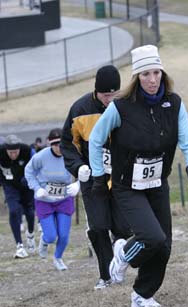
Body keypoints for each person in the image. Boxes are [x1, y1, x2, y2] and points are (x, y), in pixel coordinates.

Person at [89, 45, 188, 307]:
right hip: (127, 186)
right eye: (145, 74)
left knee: (163, 246)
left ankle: (142, 295)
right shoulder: (121, 107)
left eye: (156, 73)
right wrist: (98, 176)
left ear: (162, 73)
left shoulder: (174, 104)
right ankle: (122, 254)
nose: (152, 80)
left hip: (156, 184)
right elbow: (95, 140)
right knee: (151, 237)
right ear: (136, 78)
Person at [61, 65, 131, 289]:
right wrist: (77, 167)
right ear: (96, 91)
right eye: (105, 95)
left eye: (114, 94)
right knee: (99, 227)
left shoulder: (128, 106)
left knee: (122, 228)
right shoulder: (80, 109)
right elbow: (67, 143)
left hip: (121, 178)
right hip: (93, 180)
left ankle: (119, 265)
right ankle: (106, 276)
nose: (110, 100)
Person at [25, 128, 80, 271]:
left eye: (61, 144)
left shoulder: (71, 154)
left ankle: (58, 258)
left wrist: (77, 184)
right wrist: (37, 189)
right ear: (50, 144)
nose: (59, 147)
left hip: (64, 198)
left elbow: (84, 170)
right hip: (45, 200)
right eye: (55, 144)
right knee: (50, 237)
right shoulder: (41, 156)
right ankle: (43, 241)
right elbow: (29, 171)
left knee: (63, 235)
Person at [0, 134, 36, 258]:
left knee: (30, 212)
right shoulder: (1, 153)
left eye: (15, 152)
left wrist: (29, 178)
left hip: (26, 185)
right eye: (11, 152)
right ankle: (19, 246)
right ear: (6, 150)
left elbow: (36, 164)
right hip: (10, 186)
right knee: (14, 211)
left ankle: (30, 234)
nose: (13, 155)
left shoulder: (27, 150)